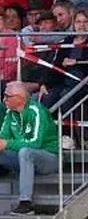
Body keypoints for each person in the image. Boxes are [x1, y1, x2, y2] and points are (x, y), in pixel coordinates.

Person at [0, 81, 59, 216]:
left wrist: (7, 144)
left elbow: (36, 143)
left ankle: (26, 203)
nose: (4, 99)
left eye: (7, 96)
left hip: (49, 158)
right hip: (23, 158)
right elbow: (3, 137)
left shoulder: (37, 111)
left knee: (26, 152)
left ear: (20, 98)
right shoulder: (10, 113)